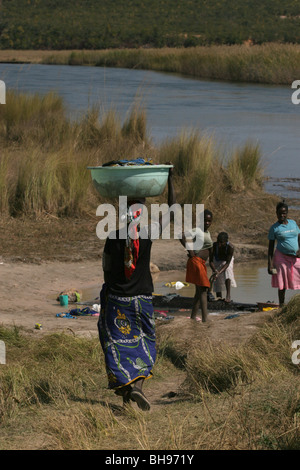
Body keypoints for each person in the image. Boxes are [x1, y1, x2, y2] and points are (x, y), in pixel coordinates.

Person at [98, 167, 175, 410]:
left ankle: (127, 391)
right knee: (145, 343)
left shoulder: (113, 236)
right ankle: (138, 388)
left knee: (115, 343)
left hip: (118, 299)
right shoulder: (148, 234)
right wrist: (170, 179)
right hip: (142, 299)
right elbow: (172, 210)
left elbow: (107, 270)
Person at [180, 209, 213, 322]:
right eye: (205, 220)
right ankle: (205, 318)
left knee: (199, 292)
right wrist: (191, 253)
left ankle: (193, 317)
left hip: (201, 263)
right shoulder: (197, 230)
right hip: (196, 261)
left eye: (209, 221)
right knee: (203, 289)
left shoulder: (206, 232)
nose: (207, 223)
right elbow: (181, 235)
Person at [268, 201, 300, 307]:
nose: (282, 215)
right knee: (282, 282)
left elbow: (299, 236)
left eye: (284, 213)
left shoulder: (293, 223)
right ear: (276, 213)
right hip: (281, 257)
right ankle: (282, 305)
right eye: (280, 213)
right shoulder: (274, 228)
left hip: (295, 257)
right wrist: (270, 265)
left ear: (287, 213)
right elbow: (271, 247)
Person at [209, 232, 237, 302]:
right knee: (216, 277)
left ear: (226, 242)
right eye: (218, 242)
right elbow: (210, 261)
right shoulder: (214, 246)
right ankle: (219, 297)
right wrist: (215, 271)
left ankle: (228, 296)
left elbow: (227, 263)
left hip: (226, 261)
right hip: (217, 260)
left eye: (221, 242)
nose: (220, 244)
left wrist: (219, 272)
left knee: (227, 272)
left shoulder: (230, 247)